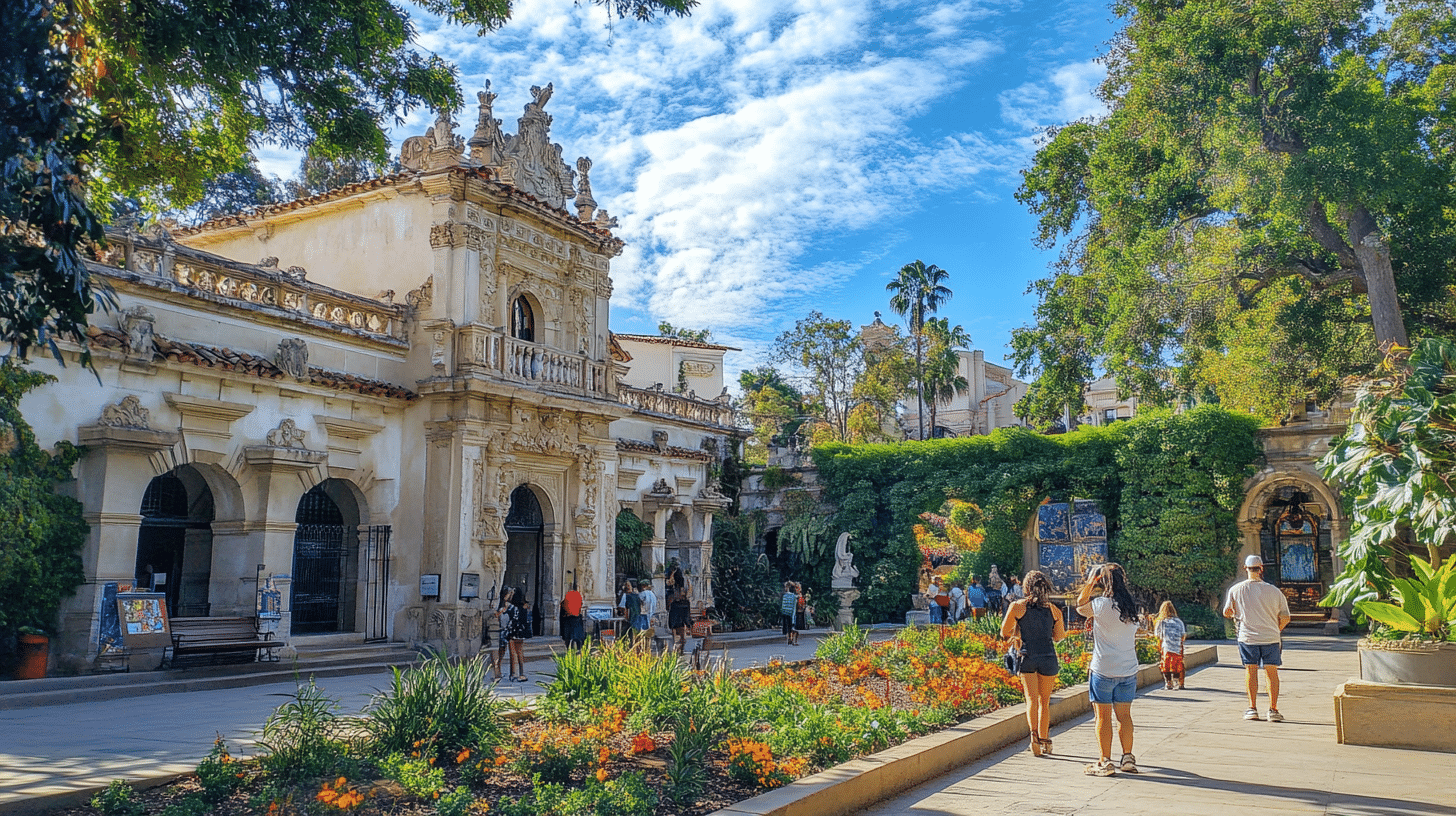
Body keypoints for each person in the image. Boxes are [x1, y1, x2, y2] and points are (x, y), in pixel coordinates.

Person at [1076, 562, 1142, 776]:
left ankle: (1105, 761)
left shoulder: (1100, 605)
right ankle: (1128, 757)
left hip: (1103, 669)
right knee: (1124, 716)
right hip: (1128, 670)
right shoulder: (1131, 607)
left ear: (1103, 582)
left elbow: (1080, 605)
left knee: (1102, 718)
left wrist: (1090, 582)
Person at [1000, 570, 1066, 757]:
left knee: (1031, 699)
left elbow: (1004, 632)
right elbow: (1059, 636)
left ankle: (1034, 737)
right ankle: (1045, 740)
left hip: (1027, 656)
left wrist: (1017, 633)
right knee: (1044, 701)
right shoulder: (1054, 610)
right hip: (1048, 657)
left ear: (1026, 587)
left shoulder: (1017, 607)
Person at [1224, 554, 1291, 722]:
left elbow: (1227, 611)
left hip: (1247, 637)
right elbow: (1285, 617)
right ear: (1261, 569)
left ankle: (1252, 708)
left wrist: (1236, 614)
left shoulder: (1235, 590)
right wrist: (1276, 629)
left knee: (1251, 670)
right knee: (1272, 672)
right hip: (1270, 637)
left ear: (1245, 569)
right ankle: (1273, 710)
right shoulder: (1274, 591)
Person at [1154, 601, 1187, 690]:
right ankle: (1177, 681)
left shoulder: (1161, 622)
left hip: (1166, 647)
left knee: (1166, 666)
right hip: (1177, 647)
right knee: (1178, 665)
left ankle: (1168, 683)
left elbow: (1157, 636)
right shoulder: (1179, 622)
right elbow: (1183, 636)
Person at [504, 588, 531, 682]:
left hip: (512, 631)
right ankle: (521, 673)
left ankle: (513, 673)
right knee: (520, 652)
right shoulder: (524, 607)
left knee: (512, 653)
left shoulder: (510, 606)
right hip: (520, 631)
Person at [667, 566, 692, 654]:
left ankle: (676, 643)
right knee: (682, 624)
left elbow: (669, 582)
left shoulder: (674, 584)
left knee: (674, 625)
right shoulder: (686, 582)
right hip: (684, 604)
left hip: (676, 605)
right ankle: (682, 644)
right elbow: (689, 592)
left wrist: (672, 573)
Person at [560, 583, 584, 649]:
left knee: (568, 636)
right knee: (577, 636)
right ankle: (579, 648)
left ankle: (568, 648)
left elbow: (564, 606)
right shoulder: (578, 595)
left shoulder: (568, 595)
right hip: (576, 617)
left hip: (568, 617)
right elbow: (580, 605)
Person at [620, 579, 642, 647]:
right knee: (637, 635)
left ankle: (630, 647)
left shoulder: (626, 596)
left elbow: (625, 609)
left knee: (629, 635)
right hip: (638, 618)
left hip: (631, 618)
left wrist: (626, 618)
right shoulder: (637, 596)